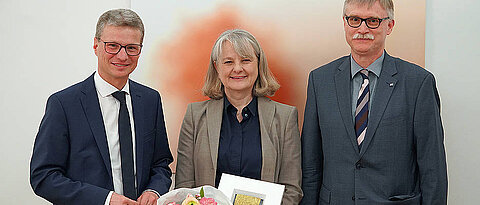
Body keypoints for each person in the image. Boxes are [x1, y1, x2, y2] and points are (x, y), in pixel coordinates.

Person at [301, 0, 447, 204]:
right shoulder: (320, 80)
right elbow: (311, 164)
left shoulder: (418, 83)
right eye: (355, 19)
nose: (362, 29)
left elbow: (433, 168)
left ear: (390, 26)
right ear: (344, 22)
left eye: (372, 21)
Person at [30, 9, 173, 205]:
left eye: (131, 48)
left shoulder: (150, 100)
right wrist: (105, 199)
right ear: (96, 45)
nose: (122, 56)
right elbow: (44, 177)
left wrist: (154, 190)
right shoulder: (63, 104)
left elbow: (160, 164)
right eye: (113, 46)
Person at [174, 29, 303, 204]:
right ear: (216, 66)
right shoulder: (195, 116)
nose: (237, 68)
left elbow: (291, 190)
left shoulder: (285, 118)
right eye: (228, 62)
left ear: (258, 64)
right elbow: (184, 188)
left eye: (246, 60)